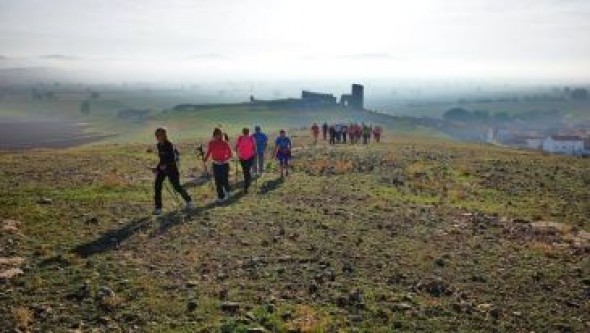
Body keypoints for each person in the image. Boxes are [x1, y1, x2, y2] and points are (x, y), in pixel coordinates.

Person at [152, 127, 194, 215]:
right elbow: (162, 159)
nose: (157, 137)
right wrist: (157, 168)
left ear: (164, 135)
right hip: (162, 169)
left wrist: (165, 166)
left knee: (177, 186)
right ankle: (158, 208)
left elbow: (172, 159)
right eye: (156, 135)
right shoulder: (159, 145)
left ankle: (189, 201)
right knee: (157, 186)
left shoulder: (169, 145)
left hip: (172, 169)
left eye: (159, 135)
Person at [204, 128, 233, 203]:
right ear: (214, 135)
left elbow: (230, 154)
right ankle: (221, 197)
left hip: (224, 164)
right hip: (216, 164)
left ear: (221, 135)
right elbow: (209, 152)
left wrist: (224, 160)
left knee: (225, 180)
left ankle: (228, 192)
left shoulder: (225, 143)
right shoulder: (211, 143)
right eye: (216, 135)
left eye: (219, 135)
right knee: (217, 181)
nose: (217, 136)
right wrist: (205, 158)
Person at [235, 127, 256, 194]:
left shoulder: (251, 138)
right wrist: (237, 152)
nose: (245, 133)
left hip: (248, 157)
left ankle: (246, 186)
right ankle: (247, 183)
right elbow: (237, 146)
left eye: (245, 131)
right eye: (245, 131)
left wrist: (254, 153)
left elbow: (255, 147)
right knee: (246, 171)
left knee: (246, 171)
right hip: (244, 157)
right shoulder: (241, 138)